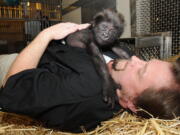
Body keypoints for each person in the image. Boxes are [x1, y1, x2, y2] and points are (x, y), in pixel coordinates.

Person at [0, 22, 179, 133]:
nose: (134, 59)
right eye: (145, 61)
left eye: (141, 71)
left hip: (15, 63)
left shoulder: (85, 90)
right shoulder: (122, 62)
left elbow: (12, 88)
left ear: (130, 102)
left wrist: (46, 35)